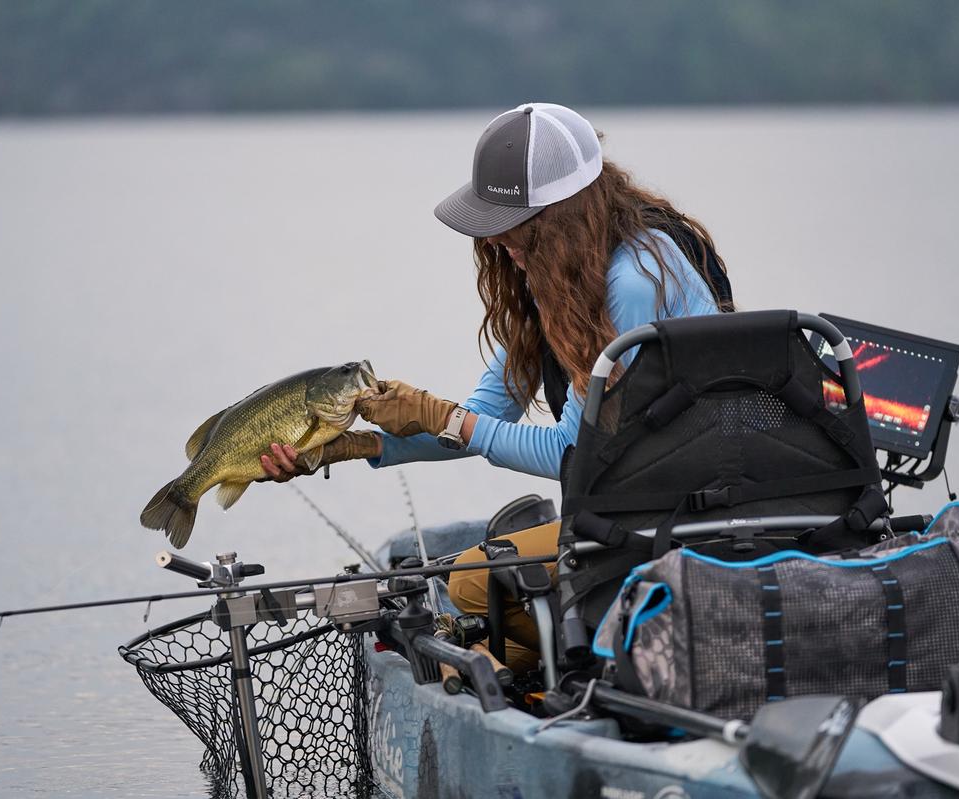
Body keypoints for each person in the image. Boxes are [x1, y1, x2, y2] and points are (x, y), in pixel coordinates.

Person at [260, 102, 732, 670]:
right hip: (634, 507)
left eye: (512, 224)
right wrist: (361, 445)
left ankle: (575, 672)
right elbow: (485, 415)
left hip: (684, 519)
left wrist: (440, 416)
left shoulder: (629, 282)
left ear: (558, 215)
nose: (497, 239)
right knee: (475, 588)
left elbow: (569, 452)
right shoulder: (563, 276)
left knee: (469, 587)